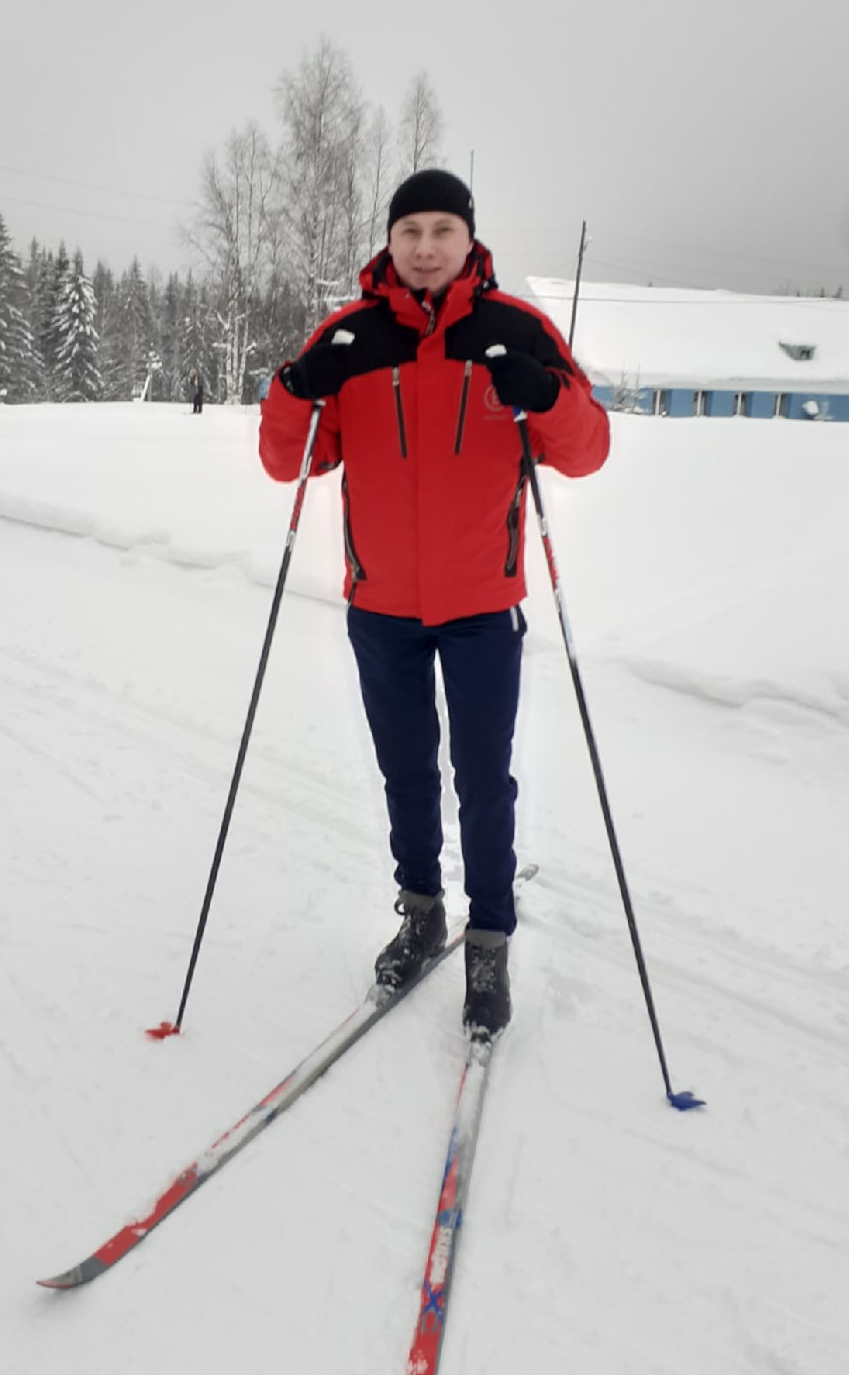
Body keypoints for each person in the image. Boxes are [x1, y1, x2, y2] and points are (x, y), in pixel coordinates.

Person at [258, 169, 610, 1038]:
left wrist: (546, 395)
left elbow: (587, 450)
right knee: (407, 772)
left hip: (483, 604)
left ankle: (488, 944)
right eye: (409, 230)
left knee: (484, 778)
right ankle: (420, 916)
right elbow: (288, 462)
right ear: (390, 240)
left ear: (468, 240)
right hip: (381, 604)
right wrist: (297, 387)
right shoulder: (348, 338)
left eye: (441, 230)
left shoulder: (515, 330)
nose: (425, 247)